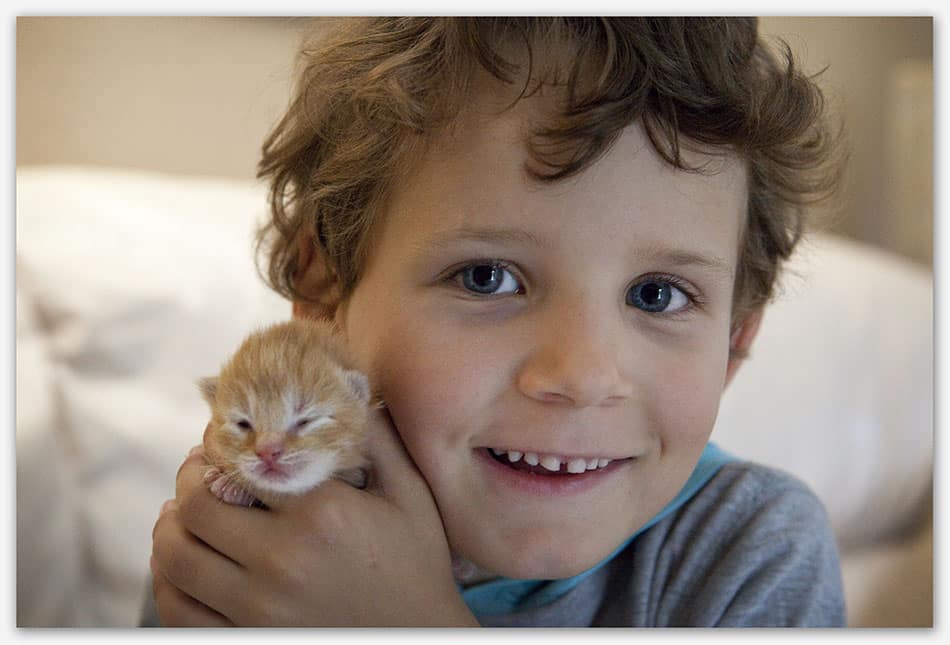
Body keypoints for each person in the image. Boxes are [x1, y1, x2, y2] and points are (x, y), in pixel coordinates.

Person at [146, 17, 846, 627]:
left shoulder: (754, 552)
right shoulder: (249, 536)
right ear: (325, 291)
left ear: (734, 341)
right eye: (488, 277)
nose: (581, 376)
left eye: (657, 295)